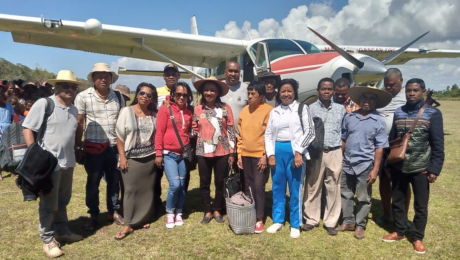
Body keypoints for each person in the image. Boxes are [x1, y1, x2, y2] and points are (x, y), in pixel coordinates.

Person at [22, 70, 84, 258]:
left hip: (68, 161)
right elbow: (28, 128)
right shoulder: (45, 103)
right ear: (56, 86)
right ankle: (48, 239)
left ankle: (62, 231)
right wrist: (34, 153)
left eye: (73, 86)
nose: (70, 89)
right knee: (49, 202)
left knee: (63, 200)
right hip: (48, 163)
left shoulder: (73, 109)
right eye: (65, 85)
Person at [382, 78, 444, 254]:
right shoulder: (399, 112)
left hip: (421, 167)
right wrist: (388, 163)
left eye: (415, 90)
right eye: (408, 90)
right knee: (398, 201)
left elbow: (438, 144)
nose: (411, 93)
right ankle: (400, 231)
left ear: (423, 92)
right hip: (399, 167)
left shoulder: (433, 113)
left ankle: (417, 237)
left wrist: (434, 168)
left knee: (420, 205)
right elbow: (393, 140)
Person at [75, 62, 125, 231]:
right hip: (92, 148)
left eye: (106, 76)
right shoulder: (83, 97)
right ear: (93, 78)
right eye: (99, 76)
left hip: (113, 147)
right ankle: (93, 214)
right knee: (93, 182)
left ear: (111, 79)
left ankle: (113, 211)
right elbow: (79, 122)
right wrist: (77, 147)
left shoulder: (118, 97)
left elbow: (121, 124)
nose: (103, 79)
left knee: (114, 181)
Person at [337, 85, 391, 239]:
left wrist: (375, 169)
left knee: (363, 197)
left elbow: (379, 147)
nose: (367, 101)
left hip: (365, 164)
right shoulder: (349, 117)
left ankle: (360, 224)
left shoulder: (379, 121)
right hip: (347, 162)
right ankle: (348, 221)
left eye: (371, 98)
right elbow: (343, 139)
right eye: (365, 98)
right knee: (346, 194)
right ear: (359, 100)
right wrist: (339, 158)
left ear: (376, 102)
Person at [265, 78, 315, 239]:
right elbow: (268, 134)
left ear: (294, 92)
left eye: (289, 91)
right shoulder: (275, 111)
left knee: (295, 189)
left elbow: (310, 132)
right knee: (277, 187)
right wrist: (270, 155)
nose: (286, 94)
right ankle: (278, 220)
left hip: (295, 153)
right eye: (283, 91)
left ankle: (295, 223)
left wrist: (299, 151)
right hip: (278, 151)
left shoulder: (302, 108)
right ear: (279, 93)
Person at [302, 78, 346, 236]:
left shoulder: (341, 109)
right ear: (318, 91)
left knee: (333, 186)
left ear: (333, 91)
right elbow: (306, 132)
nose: (326, 91)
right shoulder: (310, 109)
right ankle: (311, 219)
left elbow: (344, 131)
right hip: (316, 153)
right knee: (313, 185)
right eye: (323, 89)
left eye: (329, 89)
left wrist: (341, 149)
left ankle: (330, 221)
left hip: (335, 151)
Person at [114, 82, 158, 240]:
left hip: (150, 158)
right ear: (137, 94)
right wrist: (122, 156)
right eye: (142, 93)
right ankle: (128, 223)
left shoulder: (154, 114)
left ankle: (143, 219)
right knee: (130, 191)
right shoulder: (126, 111)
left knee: (147, 191)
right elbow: (119, 136)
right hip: (131, 158)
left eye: (149, 95)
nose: (145, 97)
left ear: (153, 98)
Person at [192, 77, 235, 224]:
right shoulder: (198, 109)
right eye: (206, 90)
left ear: (217, 93)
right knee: (204, 182)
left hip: (222, 151)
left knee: (220, 182)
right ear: (202, 92)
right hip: (203, 151)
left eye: (212, 90)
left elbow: (230, 130)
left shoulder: (225, 108)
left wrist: (232, 151)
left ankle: (217, 209)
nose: (209, 92)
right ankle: (207, 211)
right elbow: (194, 129)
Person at [155, 81, 193, 228]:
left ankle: (179, 212)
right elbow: (159, 132)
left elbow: (189, 129)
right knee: (175, 184)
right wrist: (158, 153)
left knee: (183, 185)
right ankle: (170, 212)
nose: (181, 97)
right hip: (168, 154)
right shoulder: (165, 109)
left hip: (182, 154)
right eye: (178, 94)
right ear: (173, 95)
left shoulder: (190, 111)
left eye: (184, 94)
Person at [375, 68, 411, 225]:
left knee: (402, 182)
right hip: (382, 146)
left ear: (401, 81)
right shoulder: (381, 97)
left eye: (393, 85)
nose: (389, 88)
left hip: (400, 145)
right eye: (387, 84)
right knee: (383, 180)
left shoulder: (408, 97)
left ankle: (403, 216)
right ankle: (387, 214)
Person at [236, 81, 273, 233]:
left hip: (259, 156)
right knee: (248, 186)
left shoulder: (269, 111)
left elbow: (270, 135)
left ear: (261, 96)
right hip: (245, 155)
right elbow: (240, 135)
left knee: (258, 186)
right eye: (248, 93)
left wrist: (265, 155)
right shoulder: (244, 110)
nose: (250, 97)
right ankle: (250, 213)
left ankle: (259, 218)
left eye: (253, 94)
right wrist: (239, 154)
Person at [153, 63, 181, 212]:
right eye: (168, 74)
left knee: (181, 176)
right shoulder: (157, 92)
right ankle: (157, 201)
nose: (171, 76)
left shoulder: (182, 90)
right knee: (157, 174)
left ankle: (180, 201)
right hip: (161, 136)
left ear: (178, 76)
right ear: (163, 76)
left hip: (177, 140)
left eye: (174, 74)